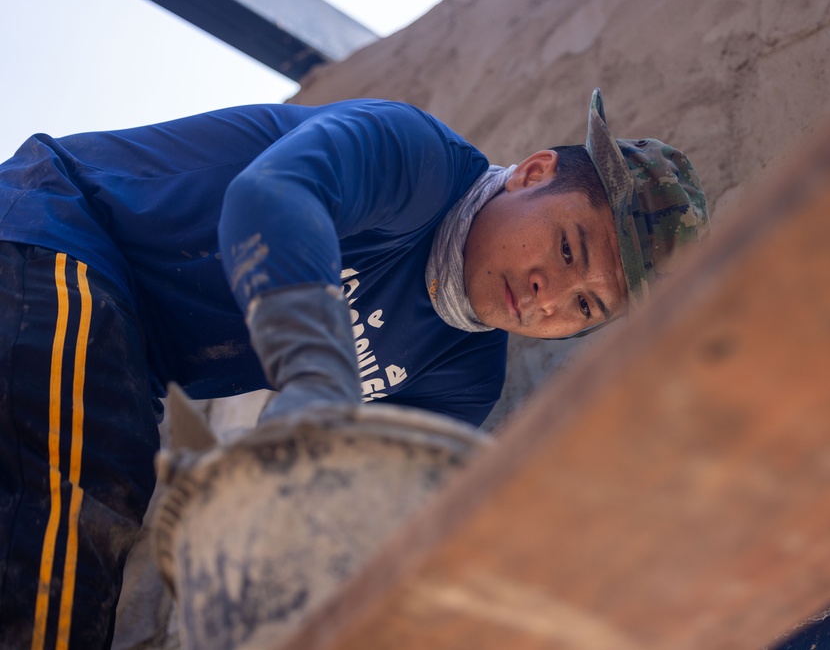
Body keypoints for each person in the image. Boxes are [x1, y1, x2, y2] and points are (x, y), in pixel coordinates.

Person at [0, 89, 708, 648]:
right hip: (56, 233)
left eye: (584, 305)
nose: (549, 296)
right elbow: (267, 195)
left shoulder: (463, 375)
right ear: (532, 173)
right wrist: (316, 371)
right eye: (565, 249)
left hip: (124, 354)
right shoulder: (416, 159)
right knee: (75, 527)